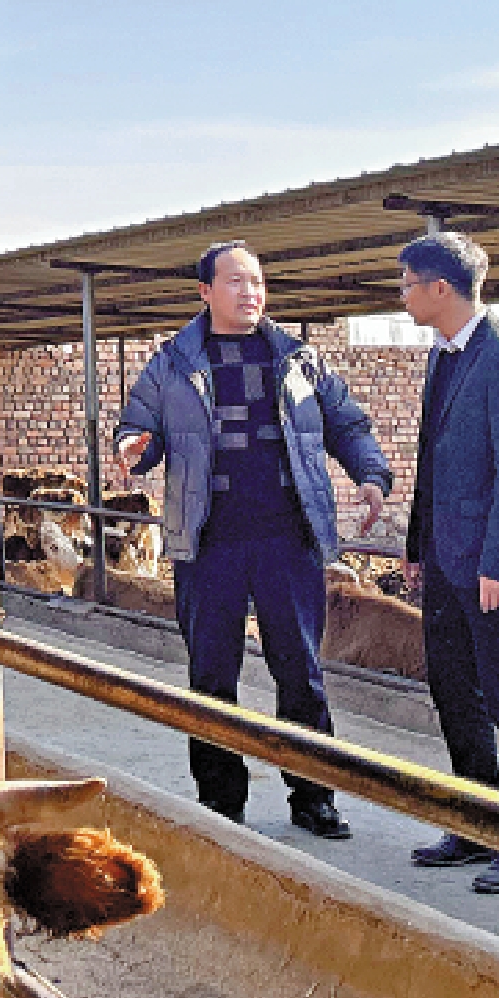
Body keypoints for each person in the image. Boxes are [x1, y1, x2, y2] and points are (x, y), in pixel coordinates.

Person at [114, 241, 393, 836]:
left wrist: (370, 475)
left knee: (300, 672)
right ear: (205, 292)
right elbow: (139, 424)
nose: (250, 292)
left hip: (286, 541)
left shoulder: (298, 360)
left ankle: (314, 796)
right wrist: (132, 448)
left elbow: (347, 422)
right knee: (211, 677)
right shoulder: (172, 363)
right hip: (208, 542)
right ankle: (221, 801)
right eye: (236, 282)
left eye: (258, 282)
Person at [396, 230, 499, 895]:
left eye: (405, 283)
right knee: (453, 691)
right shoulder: (442, 356)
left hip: (494, 561)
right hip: (444, 558)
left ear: (440, 288)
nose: (399, 294)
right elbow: (432, 463)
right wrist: (414, 548)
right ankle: (475, 821)